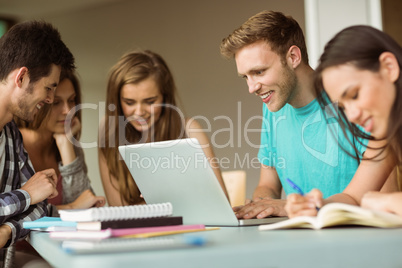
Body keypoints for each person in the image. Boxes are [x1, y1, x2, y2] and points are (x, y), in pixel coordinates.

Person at [219, 10, 396, 219]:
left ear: (293, 57)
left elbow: (382, 202)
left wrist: (377, 201)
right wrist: (310, 205)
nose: (353, 114)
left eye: (259, 71)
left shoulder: (371, 116)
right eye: (245, 77)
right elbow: (354, 197)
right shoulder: (382, 134)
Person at [285, 25, 402, 217]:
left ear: (389, 67)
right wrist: (318, 204)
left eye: (354, 95)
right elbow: (353, 197)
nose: (352, 116)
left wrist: (388, 200)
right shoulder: (385, 137)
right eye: (343, 107)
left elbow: (371, 200)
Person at [98, 50, 228, 206]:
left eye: (150, 101)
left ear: (165, 97)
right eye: (129, 102)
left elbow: (222, 204)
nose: (139, 112)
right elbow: (118, 209)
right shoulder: (108, 131)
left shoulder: (189, 130)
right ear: (118, 101)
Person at [0, 20, 74, 265]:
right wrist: (26, 194)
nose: (51, 99)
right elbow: (33, 195)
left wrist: (7, 231)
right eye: (49, 88)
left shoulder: (12, 135)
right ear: (21, 77)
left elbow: (41, 205)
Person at [15, 70, 105, 215]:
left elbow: (86, 206)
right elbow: (12, 213)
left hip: (57, 237)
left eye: (71, 100)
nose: (68, 110)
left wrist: (65, 144)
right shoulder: (13, 143)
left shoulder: (68, 144)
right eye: (56, 103)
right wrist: (71, 208)